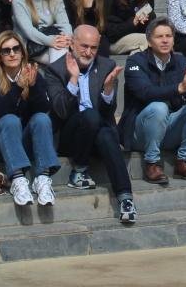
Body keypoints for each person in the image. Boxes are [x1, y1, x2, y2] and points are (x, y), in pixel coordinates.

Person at [44, 25, 134, 223]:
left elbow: (108, 113)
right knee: (91, 116)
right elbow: (60, 111)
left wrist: (108, 90)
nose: (88, 52)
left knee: (106, 133)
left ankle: (125, 198)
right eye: (84, 46)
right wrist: (73, 80)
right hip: (71, 136)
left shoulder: (107, 66)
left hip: (98, 133)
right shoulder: (55, 70)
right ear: (72, 44)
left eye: (93, 47)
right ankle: (79, 168)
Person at [119, 18, 186, 185]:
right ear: (149, 41)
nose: (165, 40)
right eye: (159, 36)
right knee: (159, 106)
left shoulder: (182, 61)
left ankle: (183, 161)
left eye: (168, 36)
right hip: (139, 132)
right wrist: (178, 88)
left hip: (168, 128)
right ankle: (152, 163)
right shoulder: (135, 61)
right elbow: (145, 92)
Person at [0, 30, 60, 207]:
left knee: (41, 119)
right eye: (6, 50)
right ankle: (17, 179)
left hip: (24, 140)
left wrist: (34, 87)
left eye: (16, 49)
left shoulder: (34, 75)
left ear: (23, 52)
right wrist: (17, 89)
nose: (12, 53)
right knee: (10, 120)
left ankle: (43, 178)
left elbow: (44, 109)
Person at [12, 0, 73, 64]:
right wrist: (50, 41)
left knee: (62, 56)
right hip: (30, 44)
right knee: (64, 62)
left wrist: (67, 38)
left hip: (50, 39)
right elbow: (28, 31)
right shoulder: (19, 0)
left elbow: (64, 23)